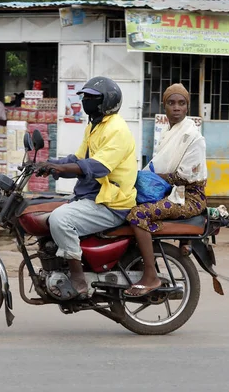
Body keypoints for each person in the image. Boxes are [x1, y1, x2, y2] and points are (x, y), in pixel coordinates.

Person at [37, 76, 138, 298]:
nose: (86, 102)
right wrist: (48, 164)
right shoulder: (95, 126)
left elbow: (98, 166)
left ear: (107, 101)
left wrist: (62, 170)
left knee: (60, 219)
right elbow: (78, 157)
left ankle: (78, 278)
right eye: (85, 97)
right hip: (94, 196)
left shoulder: (117, 130)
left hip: (111, 202)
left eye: (92, 98)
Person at [124, 83, 208, 297]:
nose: (176, 108)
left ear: (187, 107)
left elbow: (184, 176)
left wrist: (148, 178)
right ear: (164, 106)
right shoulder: (169, 133)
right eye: (171, 103)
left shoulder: (193, 136)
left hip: (188, 198)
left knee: (138, 215)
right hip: (170, 191)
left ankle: (151, 275)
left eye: (181, 103)